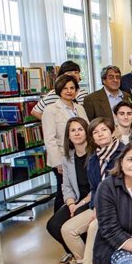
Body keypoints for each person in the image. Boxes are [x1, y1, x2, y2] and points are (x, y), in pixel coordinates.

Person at [61, 117, 124, 264]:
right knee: (67, 229)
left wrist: (104, 207)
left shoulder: (124, 153)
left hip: (120, 207)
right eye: (95, 132)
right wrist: (97, 205)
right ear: (93, 138)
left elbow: (125, 187)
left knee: (95, 226)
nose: (100, 134)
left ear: (112, 132)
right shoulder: (94, 159)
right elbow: (95, 188)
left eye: (104, 130)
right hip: (98, 206)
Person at [45, 117, 92, 264]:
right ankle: (82, 258)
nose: (77, 133)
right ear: (68, 136)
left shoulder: (96, 154)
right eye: (73, 130)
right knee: (53, 225)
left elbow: (100, 187)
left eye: (80, 129)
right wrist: (71, 203)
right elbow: (66, 186)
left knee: (73, 224)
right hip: (76, 200)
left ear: (86, 132)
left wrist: (79, 205)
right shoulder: (67, 157)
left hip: (92, 200)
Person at [42, 75, 89, 213]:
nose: (69, 91)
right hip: (62, 157)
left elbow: (86, 130)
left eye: (72, 88)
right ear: (59, 90)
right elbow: (49, 139)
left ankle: (77, 215)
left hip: (81, 154)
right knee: (63, 191)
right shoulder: (51, 110)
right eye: (65, 88)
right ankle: (60, 220)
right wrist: (58, 163)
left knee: (79, 188)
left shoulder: (80, 108)